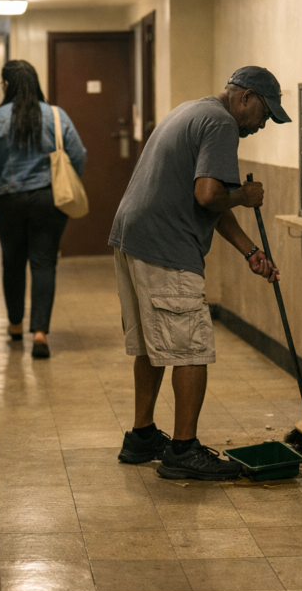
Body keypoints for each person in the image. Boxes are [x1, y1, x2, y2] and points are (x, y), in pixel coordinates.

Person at [108, 66, 288, 480]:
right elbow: (210, 196)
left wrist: (250, 252)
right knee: (192, 348)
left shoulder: (192, 110)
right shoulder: (222, 124)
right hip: (166, 247)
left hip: (132, 238)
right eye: (264, 113)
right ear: (245, 97)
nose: (263, 124)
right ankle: (183, 451)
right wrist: (246, 196)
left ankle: (141, 437)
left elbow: (208, 201)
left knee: (150, 345)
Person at [0, 60, 87, 359]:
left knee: (12, 261)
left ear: (6, 86)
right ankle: (39, 333)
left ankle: (14, 325)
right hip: (49, 200)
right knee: (44, 262)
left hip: (8, 201)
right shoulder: (57, 116)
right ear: (35, 84)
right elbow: (78, 154)